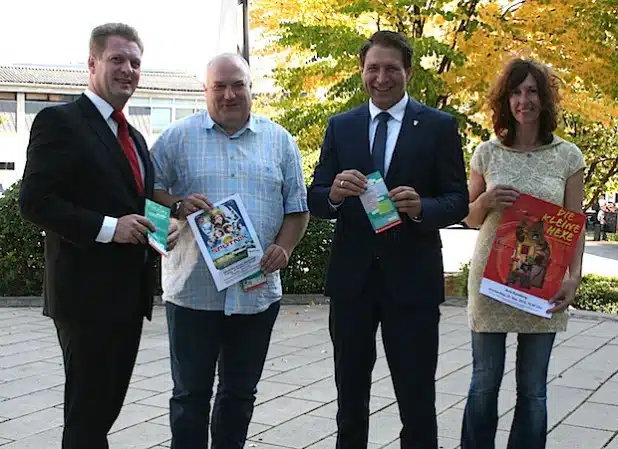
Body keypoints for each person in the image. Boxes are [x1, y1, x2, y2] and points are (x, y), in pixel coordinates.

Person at [18, 23, 179, 449]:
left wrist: (168, 224)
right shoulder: (61, 121)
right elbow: (35, 201)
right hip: (85, 298)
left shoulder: (136, 138)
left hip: (129, 297)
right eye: (117, 59)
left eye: (135, 62)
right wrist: (110, 229)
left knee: (104, 412)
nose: (128, 69)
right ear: (92, 64)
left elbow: (135, 205)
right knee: (88, 416)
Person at [307, 31, 469, 449]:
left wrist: (422, 207)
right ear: (362, 71)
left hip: (412, 283)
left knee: (416, 395)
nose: (381, 77)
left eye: (391, 68)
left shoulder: (438, 126)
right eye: (373, 68)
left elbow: (458, 201)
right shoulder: (341, 126)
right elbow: (317, 197)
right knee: (350, 395)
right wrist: (335, 194)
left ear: (408, 72)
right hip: (352, 283)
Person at [150, 53, 309, 449]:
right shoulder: (175, 138)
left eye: (237, 84)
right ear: (205, 91)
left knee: (240, 396)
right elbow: (145, 196)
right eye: (219, 86)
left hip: (256, 294)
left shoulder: (280, 140)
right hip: (192, 293)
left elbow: (298, 208)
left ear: (251, 88)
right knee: (189, 397)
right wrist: (176, 207)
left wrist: (284, 248)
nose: (229, 93)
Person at [460, 58, 586, 449]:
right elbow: (468, 218)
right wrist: (486, 199)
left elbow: (575, 221)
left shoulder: (568, 156)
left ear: (545, 99)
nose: (524, 100)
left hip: (542, 282)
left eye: (532, 91)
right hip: (491, 280)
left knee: (533, 389)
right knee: (484, 383)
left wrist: (573, 276)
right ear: (505, 100)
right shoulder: (487, 152)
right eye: (516, 92)